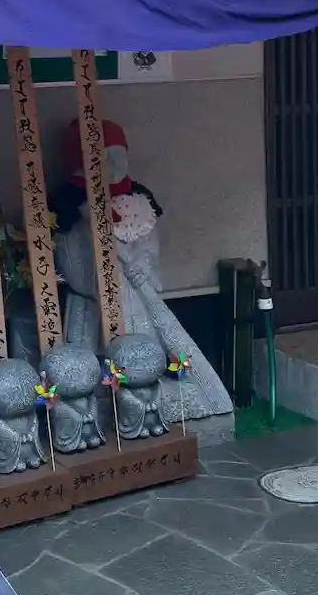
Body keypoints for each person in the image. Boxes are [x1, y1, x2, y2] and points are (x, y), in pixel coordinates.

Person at [52, 117, 232, 425]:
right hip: (95, 299)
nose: (114, 163)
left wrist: (142, 267)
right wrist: (101, 271)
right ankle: (105, 401)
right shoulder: (69, 206)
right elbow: (71, 262)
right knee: (96, 355)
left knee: (148, 347)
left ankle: (151, 389)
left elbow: (150, 246)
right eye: (106, 156)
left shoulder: (139, 199)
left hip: (139, 295)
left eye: (119, 154)